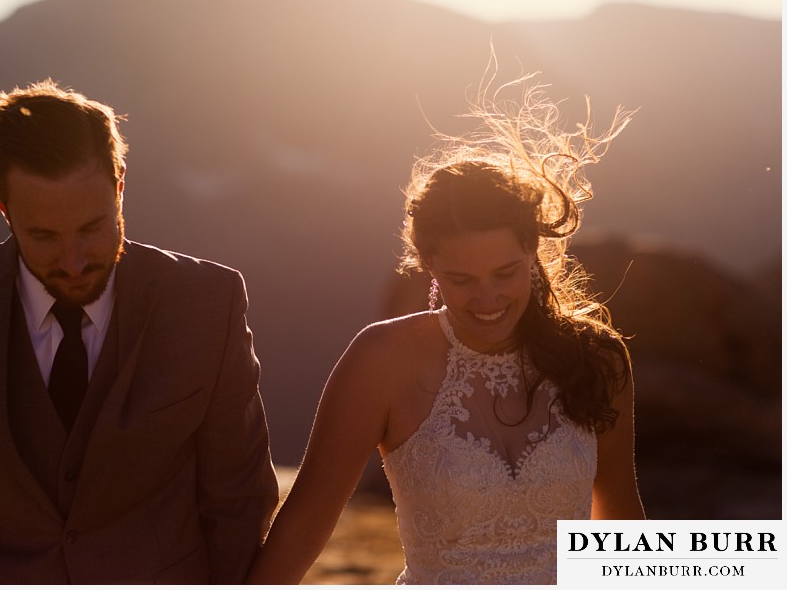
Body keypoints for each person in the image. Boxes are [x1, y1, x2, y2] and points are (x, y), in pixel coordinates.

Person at [0, 79, 279, 584]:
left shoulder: (209, 303)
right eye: (44, 236)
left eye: (91, 227)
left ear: (120, 185)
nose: (75, 260)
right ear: (3, 207)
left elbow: (238, 498)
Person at [246, 70, 645, 585]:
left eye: (505, 273)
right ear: (428, 265)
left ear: (533, 249)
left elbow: (620, 521)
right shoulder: (382, 360)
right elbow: (304, 523)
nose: (486, 298)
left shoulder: (598, 357)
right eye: (461, 279)